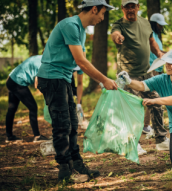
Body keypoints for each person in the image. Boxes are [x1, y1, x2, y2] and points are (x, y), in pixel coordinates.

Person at [36, 0, 117, 183]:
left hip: (63, 78)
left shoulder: (80, 29)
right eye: (102, 13)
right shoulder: (70, 25)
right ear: (94, 9)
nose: (102, 18)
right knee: (62, 125)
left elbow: (77, 63)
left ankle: (76, 163)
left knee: (72, 124)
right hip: (52, 78)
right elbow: (80, 62)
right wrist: (104, 80)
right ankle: (65, 170)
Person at [111, 0, 169, 152]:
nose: (130, 9)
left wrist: (160, 54)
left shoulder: (145, 23)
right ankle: (132, 143)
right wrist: (118, 37)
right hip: (128, 75)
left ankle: (161, 139)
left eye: (133, 6)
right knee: (133, 108)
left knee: (156, 102)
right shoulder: (119, 25)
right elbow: (115, 34)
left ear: (138, 7)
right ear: (122, 8)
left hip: (147, 72)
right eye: (127, 7)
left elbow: (151, 41)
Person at [5, 55, 50, 143]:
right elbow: (37, 84)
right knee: (33, 107)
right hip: (18, 82)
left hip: (11, 80)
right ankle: (37, 136)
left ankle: (9, 136)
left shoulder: (40, 58)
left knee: (12, 109)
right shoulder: (44, 63)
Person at [143, 13, 168, 134]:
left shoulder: (156, 36)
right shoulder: (149, 35)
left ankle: (155, 124)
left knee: (157, 96)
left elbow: (158, 51)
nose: (162, 27)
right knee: (152, 96)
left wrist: (168, 53)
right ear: (154, 24)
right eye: (160, 24)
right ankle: (145, 124)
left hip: (158, 68)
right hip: (151, 68)